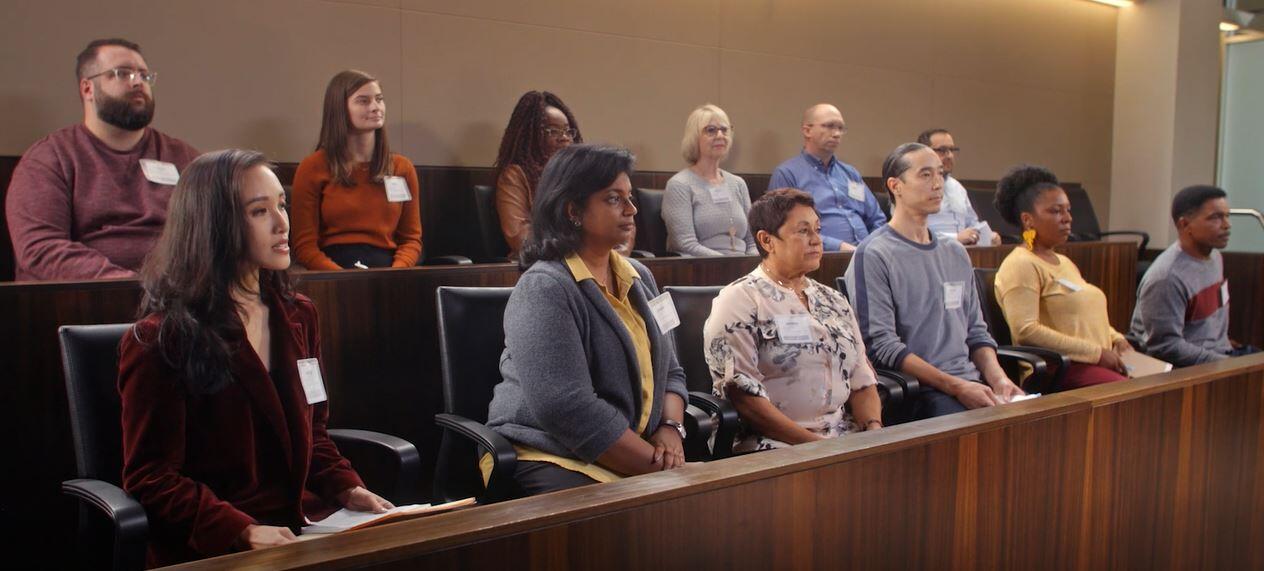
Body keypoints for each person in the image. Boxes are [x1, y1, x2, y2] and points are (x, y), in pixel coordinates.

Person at [118, 150, 392, 566]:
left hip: (301, 528)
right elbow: (151, 476)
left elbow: (314, 432)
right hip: (214, 546)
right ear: (215, 225)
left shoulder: (299, 314)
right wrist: (239, 530)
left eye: (281, 204)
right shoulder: (160, 339)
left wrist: (347, 488)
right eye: (260, 211)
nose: (283, 223)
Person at [485, 144, 688, 495]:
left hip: (634, 452)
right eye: (614, 199)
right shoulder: (544, 287)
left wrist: (671, 427)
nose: (632, 210)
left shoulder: (640, 277)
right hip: (548, 453)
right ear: (573, 210)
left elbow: (671, 370)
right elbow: (566, 408)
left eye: (630, 197)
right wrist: (661, 469)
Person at [845, 143, 1023, 418]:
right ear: (896, 185)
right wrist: (956, 386)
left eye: (940, 174)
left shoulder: (955, 252)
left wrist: (999, 380)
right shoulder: (874, 253)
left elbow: (976, 332)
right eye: (925, 175)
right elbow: (882, 347)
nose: (937, 184)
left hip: (971, 383)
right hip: (921, 390)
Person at [703, 188, 882, 453]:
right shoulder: (740, 299)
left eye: (817, 229)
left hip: (843, 439)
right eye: (803, 231)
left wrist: (874, 432)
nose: (816, 240)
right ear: (767, 240)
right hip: (776, 444)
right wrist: (817, 448)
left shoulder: (833, 299)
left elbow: (862, 379)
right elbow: (745, 399)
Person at [6, 38, 199, 281]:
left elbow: (217, 230)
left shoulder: (184, 157)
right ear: (87, 89)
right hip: (90, 301)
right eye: (122, 73)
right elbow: (40, 249)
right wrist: (130, 285)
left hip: (182, 297)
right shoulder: (49, 159)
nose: (138, 82)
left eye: (144, 75)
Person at [992, 165, 1130, 388]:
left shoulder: (1065, 262)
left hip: (1093, 364)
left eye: (1068, 210)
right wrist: (1096, 353)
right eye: (1056, 211)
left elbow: (1084, 314)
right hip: (1058, 369)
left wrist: (1116, 338)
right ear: (1028, 220)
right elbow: (1026, 330)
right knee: (1129, 394)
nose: (1067, 218)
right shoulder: (1021, 264)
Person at [290, 70, 422, 270]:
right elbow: (304, 246)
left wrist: (396, 273)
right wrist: (341, 279)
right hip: (333, 272)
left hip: (389, 271)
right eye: (363, 101)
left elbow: (411, 239)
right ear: (340, 109)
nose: (376, 107)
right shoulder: (312, 167)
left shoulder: (401, 167)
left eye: (379, 99)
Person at [494, 91, 641, 259]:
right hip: (540, 265)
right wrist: (582, 258)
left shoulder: (585, 174)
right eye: (552, 131)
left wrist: (610, 259)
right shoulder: (515, 176)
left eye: (568, 131)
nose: (564, 138)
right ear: (531, 134)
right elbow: (519, 237)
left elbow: (624, 228)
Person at [1129, 185, 1260, 366]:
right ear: (1185, 225)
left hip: (1220, 355)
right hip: (1190, 371)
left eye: (1227, 216)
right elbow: (1165, 347)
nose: (1227, 225)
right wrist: (1227, 364)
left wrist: (1224, 346)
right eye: (1216, 217)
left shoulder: (1215, 257)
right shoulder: (1166, 277)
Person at [768, 103, 886, 252]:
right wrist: (840, 247)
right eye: (829, 126)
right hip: (822, 258)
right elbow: (788, 227)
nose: (836, 133)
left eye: (841, 128)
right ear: (807, 130)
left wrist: (870, 247)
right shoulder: (787, 173)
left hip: (866, 255)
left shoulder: (850, 173)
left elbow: (877, 218)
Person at [662, 104, 756, 256]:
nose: (720, 135)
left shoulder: (738, 183)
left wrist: (751, 267)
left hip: (743, 271)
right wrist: (728, 264)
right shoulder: (679, 185)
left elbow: (752, 242)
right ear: (694, 137)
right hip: (704, 270)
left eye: (724, 130)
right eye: (711, 130)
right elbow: (684, 243)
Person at [917, 128, 1000, 246]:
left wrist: (988, 236)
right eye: (942, 150)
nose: (950, 156)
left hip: (964, 253)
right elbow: (910, 232)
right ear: (924, 153)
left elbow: (972, 224)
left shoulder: (958, 188)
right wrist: (955, 238)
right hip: (930, 253)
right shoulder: (913, 187)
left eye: (952, 150)